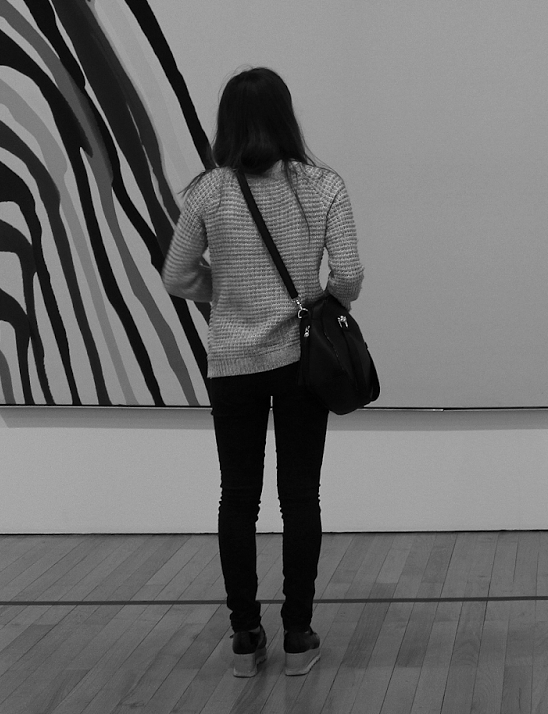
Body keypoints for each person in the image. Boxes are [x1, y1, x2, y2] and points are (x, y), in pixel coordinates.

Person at [162, 67, 364, 678]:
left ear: (227, 121)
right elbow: (349, 275)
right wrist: (315, 303)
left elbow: (177, 275)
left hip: (232, 363)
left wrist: (225, 294)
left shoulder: (208, 191)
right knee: (300, 496)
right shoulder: (323, 185)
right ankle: (298, 633)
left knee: (237, 497)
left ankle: (246, 636)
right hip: (302, 363)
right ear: (286, 115)